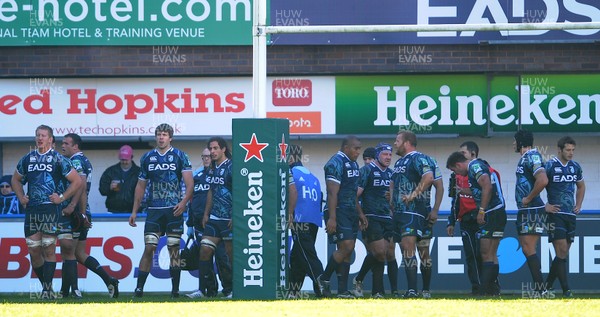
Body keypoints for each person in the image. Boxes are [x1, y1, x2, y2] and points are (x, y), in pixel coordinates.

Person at [11, 125, 82, 300]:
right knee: (34, 251)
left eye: (43, 135)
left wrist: (62, 197)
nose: (40, 138)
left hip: (50, 209)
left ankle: (46, 292)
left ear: (50, 139)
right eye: (37, 135)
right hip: (33, 210)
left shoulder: (58, 159)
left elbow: (77, 181)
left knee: (48, 249)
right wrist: (21, 197)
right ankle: (47, 288)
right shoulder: (28, 158)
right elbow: (15, 179)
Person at [128, 123, 194, 298]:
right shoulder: (147, 158)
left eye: (164, 134)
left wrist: (183, 202)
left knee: (173, 250)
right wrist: (134, 211)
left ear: (170, 137)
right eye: (158, 134)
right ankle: (139, 289)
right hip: (154, 210)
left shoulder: (181, 156)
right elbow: (140, 186)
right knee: (149, 248)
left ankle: (175, 290)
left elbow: (190, 184)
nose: (161, 137)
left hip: (174, 210)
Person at [60, 133, 120, 298]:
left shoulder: (76, 161)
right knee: (79, 253)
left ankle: (72, 291)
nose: (62, 146)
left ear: (75, 146)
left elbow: (80, 186)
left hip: (75, 212)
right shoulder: (82, 160)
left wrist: (76, 209)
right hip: (82, 211)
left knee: (68, 252)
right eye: (62, 143)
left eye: (66, 143)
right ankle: (109, 280)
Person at [446, 151, 506, 297]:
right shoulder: (478, 167)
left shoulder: (474, 166)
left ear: (459, 165)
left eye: (455, 170)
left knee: (485, 253)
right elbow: (479, 189)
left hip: (492, 212)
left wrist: (481, 211)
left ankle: (484, 290)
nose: (457, 174)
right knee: (491, 254)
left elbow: (487, 187)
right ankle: (492, 290)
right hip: (498, 212)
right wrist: (462, 190)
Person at [389, 130, 440, 298]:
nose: (394, 143)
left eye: (397, 140)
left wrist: (413, 195)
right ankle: (418, 290)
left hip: (414, 212)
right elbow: (393, 185)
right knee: (409, 249)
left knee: (416, 249)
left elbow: (429, 178)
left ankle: (419, 290)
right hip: (399, 213)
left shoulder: (419, 158)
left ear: (407, 142)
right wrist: (391, 200)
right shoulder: (398, 163)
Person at [317, 135, 367, 298]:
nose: (358, 152)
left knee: (348, 249)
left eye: (359, 148)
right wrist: (332, 217)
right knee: (346, 246)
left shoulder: (352, 163)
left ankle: (342, 291)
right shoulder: (335, 162)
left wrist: (360, 214)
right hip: (338, 210)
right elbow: (332, 192)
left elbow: (353, 193)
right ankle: (323, 279)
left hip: (351, 211)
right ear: (346, 147)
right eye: (356, 148)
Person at [185, 147, 232, 299]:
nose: (206, 159)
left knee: (222, 258)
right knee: (204, 257)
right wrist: (190, 224)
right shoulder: (197, 177)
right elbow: (191, 201)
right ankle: (206, 290)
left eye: (208, 156)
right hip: (200, 223)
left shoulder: (222, 173)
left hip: (219, 221)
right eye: (203, 156)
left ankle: (229, 289)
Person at [544, 136, 585, 297]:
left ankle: (546, 286)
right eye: (568, 150)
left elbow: (581, 186)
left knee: (563, 253)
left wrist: (579, 204)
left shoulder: (575, 167)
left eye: (573, 150)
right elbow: (538, 183)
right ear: (559, 150)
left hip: (570, 215)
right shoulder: (550, 165)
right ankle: (566, 290)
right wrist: (545, 206)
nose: (571, 153)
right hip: (555, 214)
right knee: (561, 250)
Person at [353, 143, 393, 299]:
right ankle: (358, 279)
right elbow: (355, 196)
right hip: (370, 216)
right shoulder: (367, 170)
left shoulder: (391, 173)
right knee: (379, 251)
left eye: (390, 155)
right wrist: (361, 215)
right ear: (377, 155)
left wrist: (392, 199)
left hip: (387, 217)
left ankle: (377, 292)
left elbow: (392, 198)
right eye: (385, 154)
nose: (388, 157)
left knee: (381, 256)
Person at [513, 129, 549, 297]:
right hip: (527, 210)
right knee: (528, 249)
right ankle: (541, 288)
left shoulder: (532, 156)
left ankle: (541, 288)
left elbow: (542, 180)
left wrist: (528, 198)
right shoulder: (525, 158)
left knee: (529, 248)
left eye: (515, 141)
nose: (513, 144)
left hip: (532, 209)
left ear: (520, 142)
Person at [287, 145, 325, 298]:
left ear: (290, 157)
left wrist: (290, 214)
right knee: (297, 256)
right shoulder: (312, 175)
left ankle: (323, 283)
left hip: (300, 219)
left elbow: (293, 192)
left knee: (307, 254)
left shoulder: (290, 173)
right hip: (314, 219)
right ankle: (293, 291)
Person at [198, 137, 234, 298]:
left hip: (228, 219)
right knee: (204, 250)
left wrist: (235, 215)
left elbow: (239, 192)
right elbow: (211, 191)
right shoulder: (212, 168)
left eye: (215, 148)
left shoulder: (233, 167)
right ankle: (205, 290)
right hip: (214, 218)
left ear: (223, 149)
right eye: (210, 148)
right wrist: (206, 213)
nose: (212, 151)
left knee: (230, 256)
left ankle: (234, 289)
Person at [99, 145, 141, 213]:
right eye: (122, 160)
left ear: (131, 157)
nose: (124, 162)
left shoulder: (139, 172)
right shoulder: (110, 171)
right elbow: (102, 191)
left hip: (133, 211)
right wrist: (109, 188)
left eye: (126, 160)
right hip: (113, 210)